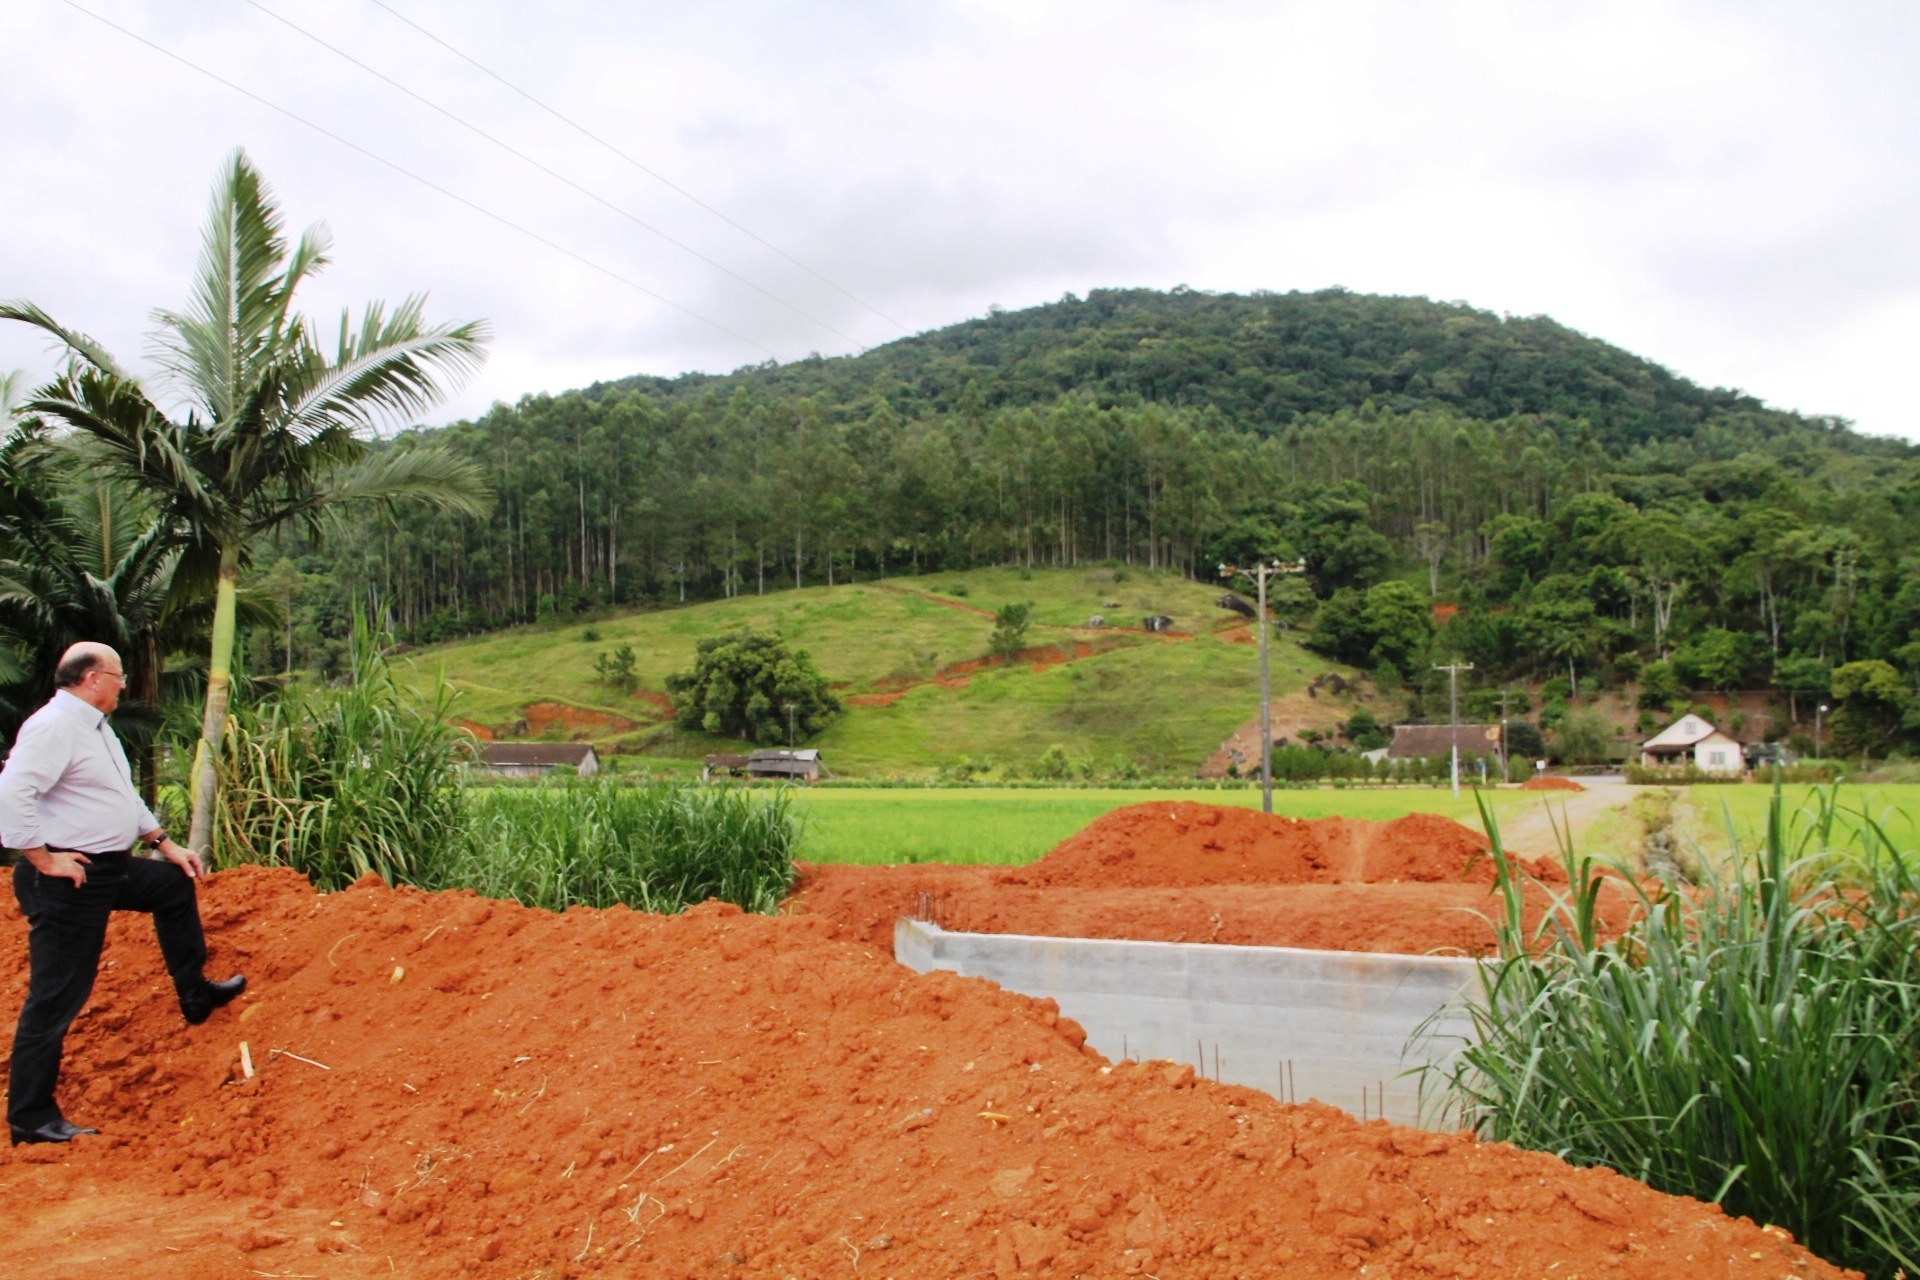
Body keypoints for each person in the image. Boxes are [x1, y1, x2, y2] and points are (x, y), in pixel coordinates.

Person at [0, 642, 245, 1145]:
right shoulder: (52, 727)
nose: (123, 685)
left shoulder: (96, 728)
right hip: (67, 879)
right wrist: (43, 859)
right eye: (118, 677)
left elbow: (121, 796)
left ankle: (194, 992)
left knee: (173, 886)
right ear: (92, 678)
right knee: (55, 996)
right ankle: (30, 1117)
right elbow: (13, 791)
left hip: (107, 868)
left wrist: (163, 842)